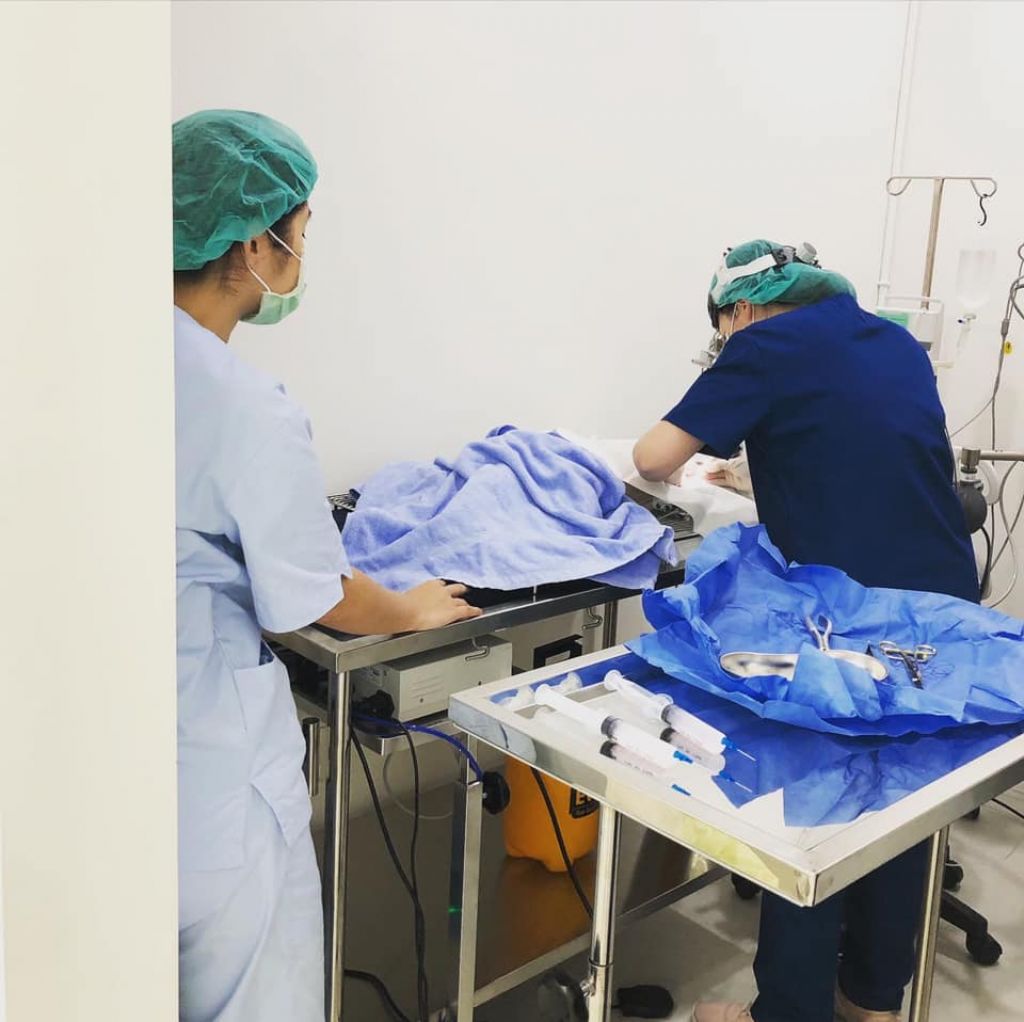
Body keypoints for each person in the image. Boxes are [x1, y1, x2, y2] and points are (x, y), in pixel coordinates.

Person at [172, 109, 480, 1022]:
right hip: (211, 774)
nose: (301, 256)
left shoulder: (88, 361)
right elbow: (317, 597)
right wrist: (412, 610)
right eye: (299, 234)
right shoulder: (244, 403)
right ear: (251, 245)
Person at [633, 240, 979, 1022]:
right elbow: (857, 450)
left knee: (817, 802)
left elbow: (653, 458)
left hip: (850, 618)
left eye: (722, 331)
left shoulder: (762, 344)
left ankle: (789, 1009)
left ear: (739, 311)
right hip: (942, 609)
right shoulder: (890, 340)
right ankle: (871, 999)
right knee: (901, 797)